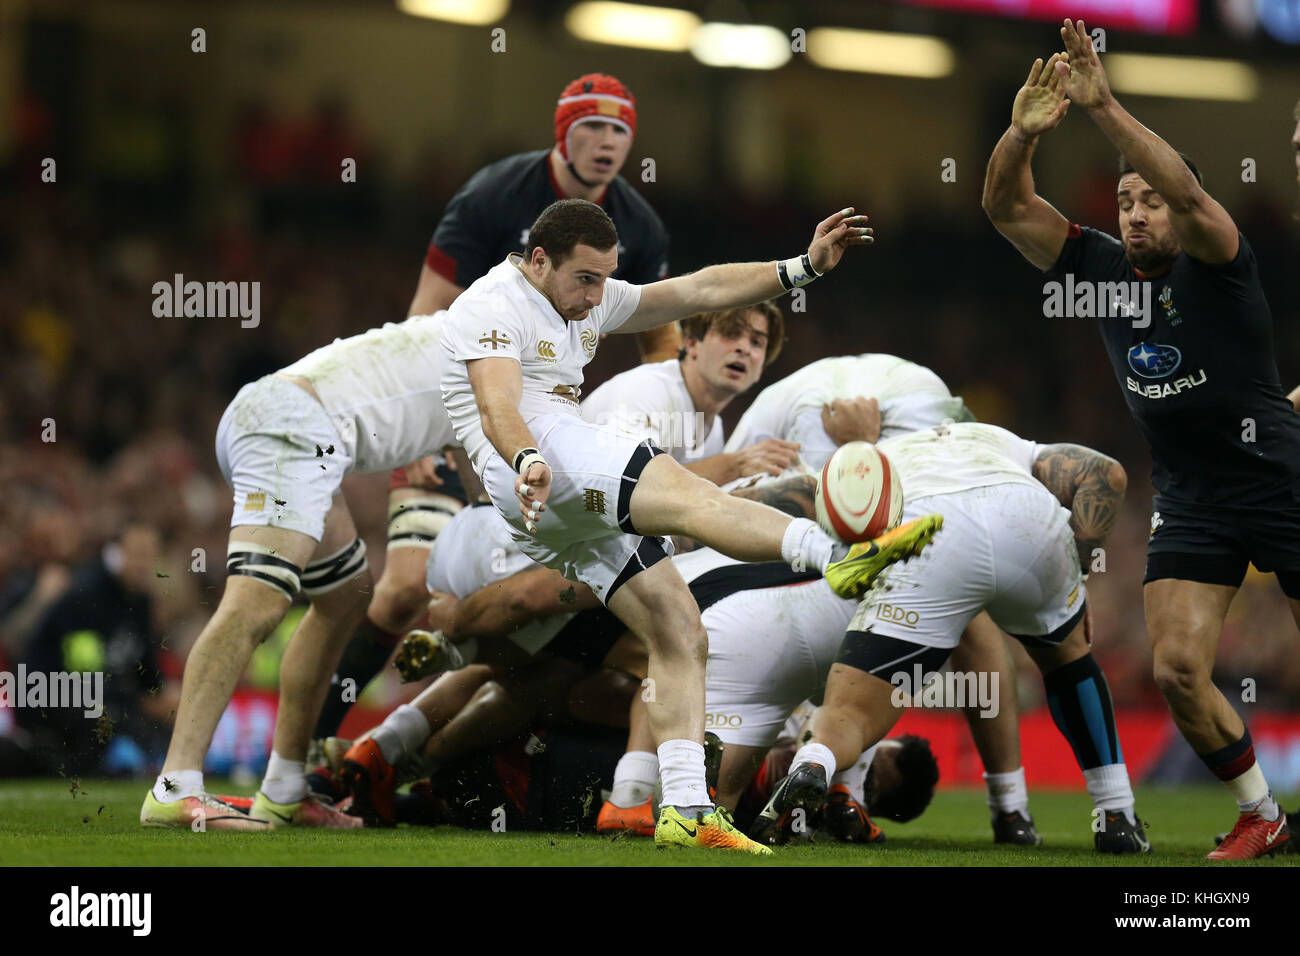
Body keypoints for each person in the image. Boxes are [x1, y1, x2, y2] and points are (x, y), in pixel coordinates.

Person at [439, 197, 942, 853]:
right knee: (686, 491)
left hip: (550, 492)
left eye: (604, 279)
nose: (596, 298)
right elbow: (496, 403)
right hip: (541, 458)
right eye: (585, 279)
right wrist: (528, 459)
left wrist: (800, 269)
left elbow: (697, 288)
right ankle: (836, 557)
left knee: (679, 626)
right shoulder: (493, 304)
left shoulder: (582, 294)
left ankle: (683, 809)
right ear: (538, 260)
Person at [981, 21, 1300, 859]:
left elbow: (1191, 198)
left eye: (1149, 197)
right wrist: (1022, 133)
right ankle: (1263, 813)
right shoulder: (1096, 274)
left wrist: (1106, 107)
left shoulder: (1216, 257)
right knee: (1177, 673)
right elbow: (1006, 208)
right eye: (1124, 200)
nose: (1136, 211)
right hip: (1193, 498)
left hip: (1281, 478)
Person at [313, 74, 678, 748]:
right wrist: (418, 438)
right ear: (562, 131)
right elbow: (425, 314)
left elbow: (662, 341)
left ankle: (408, 754)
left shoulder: (642, 226)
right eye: (591, 127)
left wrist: (669, 422)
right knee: (398, 594)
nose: (606, 142)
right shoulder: (491, 196)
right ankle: (313, 742)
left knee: (539, 617)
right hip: (452, 416)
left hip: (546, 435)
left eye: (620, 130)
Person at [752, 424, 1147, 854]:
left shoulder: (867, 464)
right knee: (1069, 659)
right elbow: (1108, 475)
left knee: (850, 710)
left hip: (924, 531)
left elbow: (789, 495)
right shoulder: (1004, 443)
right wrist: (1081, 575)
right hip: (1026, 517)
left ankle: (814, 764)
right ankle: (1114, 814)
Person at [139, 312, 463, 830]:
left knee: (347, 597)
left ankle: (286, 789)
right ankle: (174, 788)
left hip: (305, 433)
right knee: (256, 604)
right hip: (289, 425)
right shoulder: (512, 332)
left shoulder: (510, 331)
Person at [725, 353, 1042, 844]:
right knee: (953, 612)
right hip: (777, 579)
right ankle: (1009, 807)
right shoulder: (915, 442)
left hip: (747, 588)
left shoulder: (783, 426)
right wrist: (861, 446)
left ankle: (637, 789)